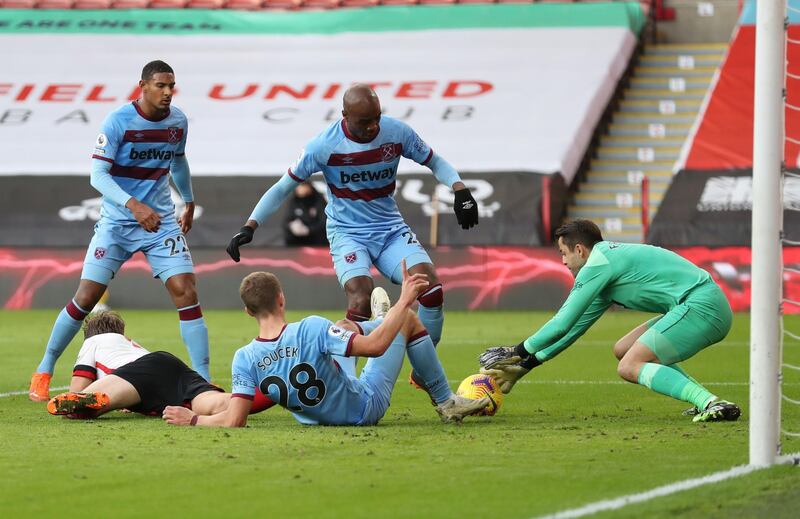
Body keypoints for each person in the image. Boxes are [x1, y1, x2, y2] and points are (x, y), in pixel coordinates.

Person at [226, 84, 479, 388]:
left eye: (376, 118)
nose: (373, 126)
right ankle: (348, 382)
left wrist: (460, 189)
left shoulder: (396, 133)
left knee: (431, 289)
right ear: (344, 116)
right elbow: (283, 187)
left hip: (389, 229)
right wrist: (250, 226)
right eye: (364, 122)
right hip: (348, 233)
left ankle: (424, 370)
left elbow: (434, 161)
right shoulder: (323, 146)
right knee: (360, 299)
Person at [30, 60, 211, 402]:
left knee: (186, 291)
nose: (168, 92)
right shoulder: (117, 122)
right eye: (161, 86)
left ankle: (201, 380)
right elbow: (98, 176)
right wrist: (134, 206)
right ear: (142, 86)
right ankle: (45, 367)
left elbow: (178, 160)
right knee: (86, 297)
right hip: (118, 223)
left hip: (159, 222)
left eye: (172, 86)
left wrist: (187, 199)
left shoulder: (178, 121)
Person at [161, 262, 489, 428]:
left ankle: (379, 319)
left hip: (315, 418)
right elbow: (374, 348)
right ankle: (446, 402)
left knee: (345, 327)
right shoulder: (311, 328)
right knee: (406, 321)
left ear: (248, 312)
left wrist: (193, 420)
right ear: (281, 299)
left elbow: (234, 420)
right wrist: (405, 300)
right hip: (361, 410)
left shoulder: (244, 357)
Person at [478, 219, 741, 423]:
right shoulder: (606, 268)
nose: (563, 262)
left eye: (564, 253)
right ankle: (703, 400)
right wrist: (528, 364)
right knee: (623, 349)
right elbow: (572, 329)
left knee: (630, 366)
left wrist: (515, 350)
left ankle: (709, 402)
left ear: (579, 250)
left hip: (700, 305)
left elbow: (561, 322)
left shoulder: (598, 264)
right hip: (699, 304)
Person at [46, 311, 273, 419]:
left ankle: (94, 403)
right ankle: (279, 389)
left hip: (139, 376)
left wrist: (82, 393)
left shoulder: (93, 341)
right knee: (217, 404)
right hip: (167, 363)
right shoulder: (128, 344)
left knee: (74, 405)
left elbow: (77, 386)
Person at [283, 182, 328, 246]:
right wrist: (292, 226)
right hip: (299, 236)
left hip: (315, 236)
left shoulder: (319, 200)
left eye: (303, 186)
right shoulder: (294, 201)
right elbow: (287, 219)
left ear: (309, 187)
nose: (300, 189)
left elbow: (324, 222)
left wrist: (308, 230)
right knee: (289, 236)